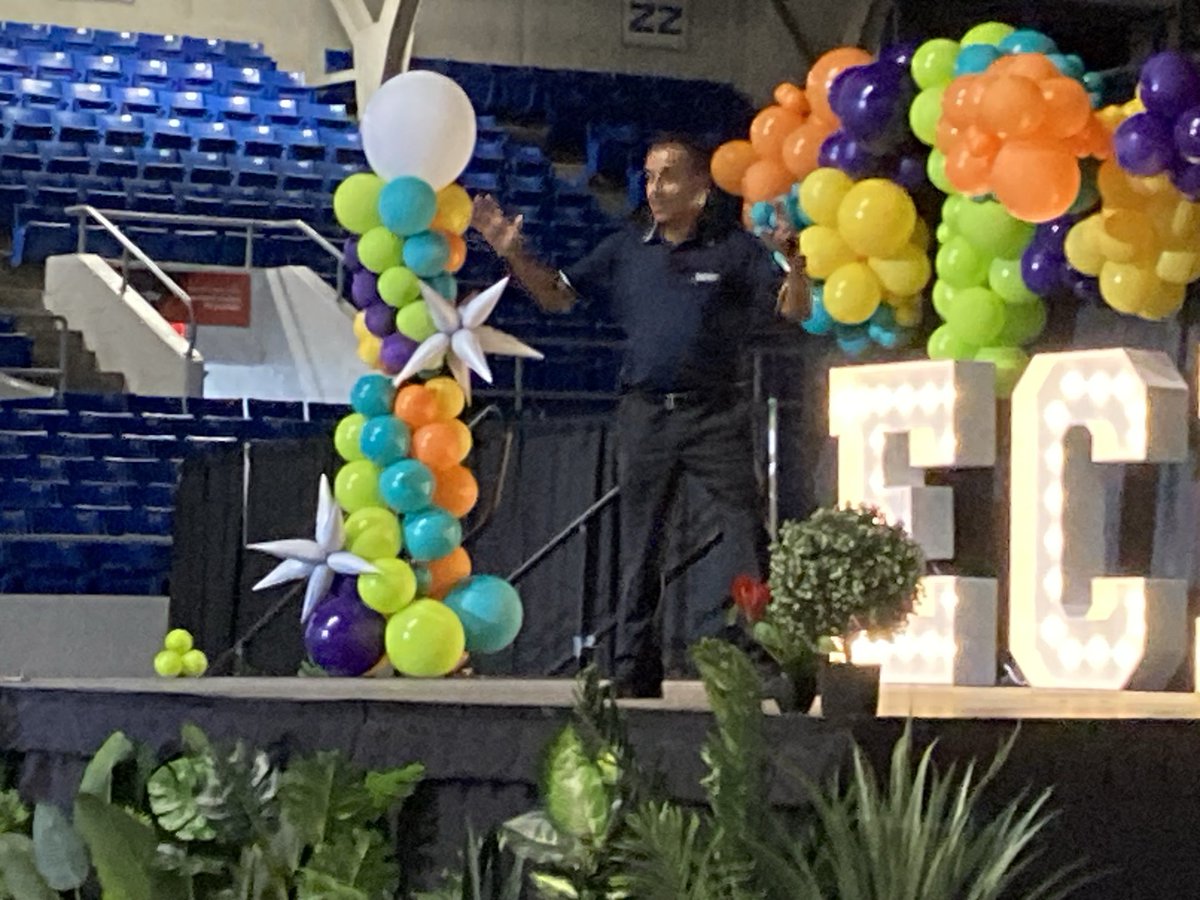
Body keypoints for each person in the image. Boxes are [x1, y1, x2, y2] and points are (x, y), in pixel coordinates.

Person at [472, 134, 810, 697]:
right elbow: (556, 296)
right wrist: (513, 252)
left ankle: (771, 655)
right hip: (646, 413)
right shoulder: (626, 248)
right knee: (640, 543)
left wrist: (794, 263)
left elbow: (793, 312)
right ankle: (633, 668)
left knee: (747, 534)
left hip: (715, 414)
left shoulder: (732, 249)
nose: (654, 188)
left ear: (700, 189)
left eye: (668, 176)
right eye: (649, 177)